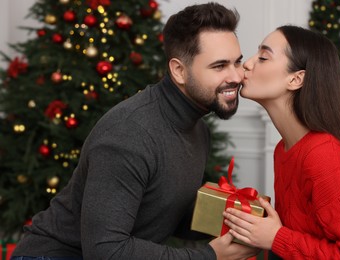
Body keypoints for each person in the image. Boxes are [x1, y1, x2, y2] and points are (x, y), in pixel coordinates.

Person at [11, 3, 260, 260]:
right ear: (179, 71)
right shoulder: (129, 134)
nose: (236, 76)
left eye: (237, 62)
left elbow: (168, 213)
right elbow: (105, 251)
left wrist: (238, 217)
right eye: (219, 66)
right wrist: (209, 256)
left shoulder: (197, 129)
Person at [222, 25, 340, 259]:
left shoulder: (323, 156)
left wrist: (276, 237)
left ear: (296, 79)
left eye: (263, 57)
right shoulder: (284, 148)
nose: (248, 64)